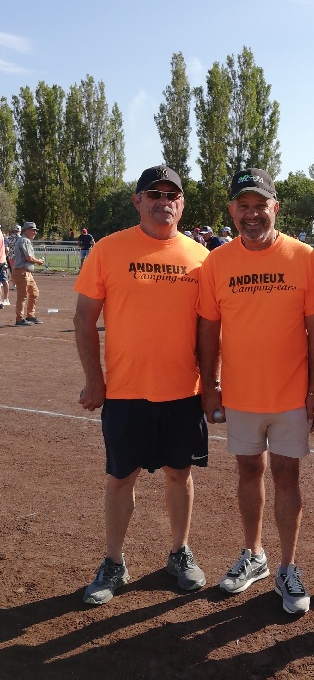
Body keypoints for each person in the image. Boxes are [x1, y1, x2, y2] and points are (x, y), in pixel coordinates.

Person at [74, 165, 209, 606]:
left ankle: (178, 552)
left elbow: (211, 328)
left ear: (182, 203)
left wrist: (211, 384)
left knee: (179, 474)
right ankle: (114, 562)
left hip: (182, 393)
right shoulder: (109, 250)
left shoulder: (201, 257)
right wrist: (95, 380)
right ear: (137, 201)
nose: (163, 200)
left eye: (172, 193)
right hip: (126, 392)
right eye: (154, 193)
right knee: (119, 478)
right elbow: (83, 317)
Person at [197, 167, 314, 615]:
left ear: (275, 208)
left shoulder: (305, 257)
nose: (252, 214)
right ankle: (254, 555)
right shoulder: (216, 262)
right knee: (248, 473)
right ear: (232, 211)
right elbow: (209, 332)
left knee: (287, 477)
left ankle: (287, 567)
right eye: (243, 206)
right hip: (240, 396)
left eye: (260, 205)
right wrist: (209, 386)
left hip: (291, 396)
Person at [13, 222, 45, 326]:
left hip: (26, 272)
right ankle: (19, 319)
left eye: (35, 230)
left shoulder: (26, 240)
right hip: (22, 271)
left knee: (34, 293)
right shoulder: (24, 240)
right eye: (33, 230)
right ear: (26, 230)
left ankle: (30, 316)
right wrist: (38, 261)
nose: (35, 232)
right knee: (22, 296)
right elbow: (28, 258)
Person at [0, 223, 9, 307]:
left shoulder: (2, 236)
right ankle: (5, 299)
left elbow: (6, 249)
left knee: (3, 280)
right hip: (2, 260)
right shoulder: (3, 236)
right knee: (3, 280)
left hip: (1, 260)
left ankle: (4, 299)